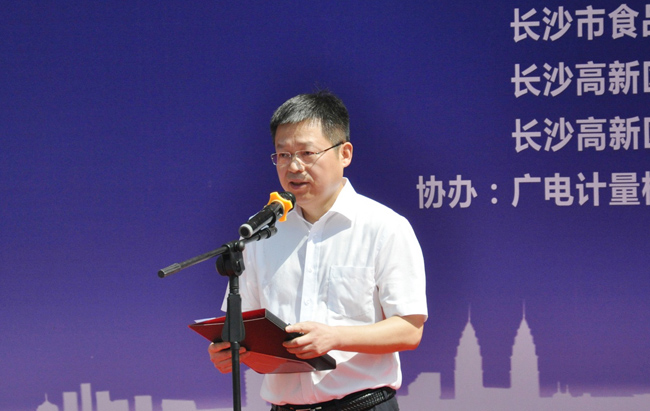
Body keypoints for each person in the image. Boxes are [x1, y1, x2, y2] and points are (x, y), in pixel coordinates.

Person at [209, 90, 428, 411]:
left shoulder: (384, 227)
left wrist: (336, 337)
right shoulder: (260, 234)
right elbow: (249, 326)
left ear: (344, 153)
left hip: (361, 405)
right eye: (283, 155)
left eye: (307, 153)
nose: (294, 166)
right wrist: (232, 349)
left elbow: (409, 329)